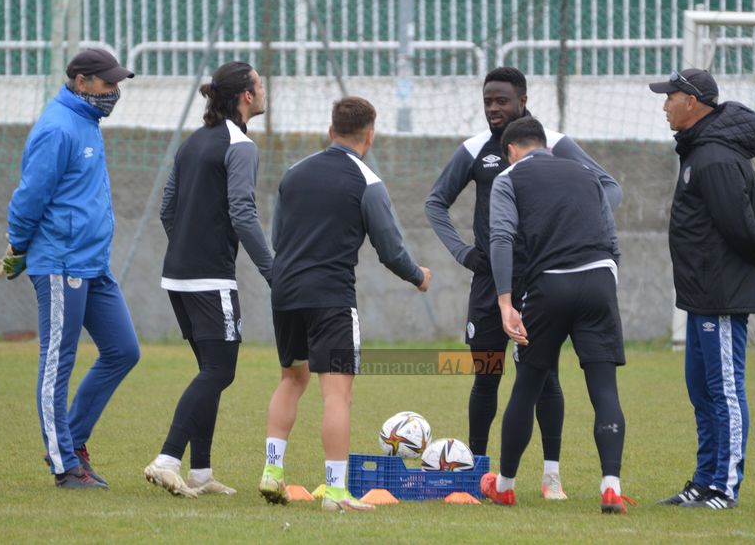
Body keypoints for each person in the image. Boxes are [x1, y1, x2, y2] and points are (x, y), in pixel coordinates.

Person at [424, 66, 622, 499]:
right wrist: (462, 251)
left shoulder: (556, 145)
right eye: (488, 101)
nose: (494, 109)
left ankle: (551, 476)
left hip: (541, 279)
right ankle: (475, 472)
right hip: (491, 280)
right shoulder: (475, 150)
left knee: (543, 376)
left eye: (503, 101)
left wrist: (570, 226)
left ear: (524, 100)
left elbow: (609, 188)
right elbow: (435, 202)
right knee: (487, 375)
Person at [258, 97, 431, 512]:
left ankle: (272, 471)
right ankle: (336, 492)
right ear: (370, 135)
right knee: (337, 394)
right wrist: (418, 275)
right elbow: (390, 249)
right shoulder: (367, 180)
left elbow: (278, 237)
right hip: (331, 296)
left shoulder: (294, 174)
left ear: (331, 130)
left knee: (291, 380)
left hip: (285, 291)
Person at [0, 48, 139, 489]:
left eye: (116, 83)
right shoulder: (57, 127)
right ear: (81, 81)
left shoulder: (86, 122)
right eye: (107, 82)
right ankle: (64, 464)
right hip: (60, 262)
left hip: (92, 262)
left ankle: (71, 440)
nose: (114, 91)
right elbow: (29, 196)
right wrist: (18, 247)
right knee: (58, 361)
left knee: (123, 351)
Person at [649, 68, 755, 510]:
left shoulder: (714, 157)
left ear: (693, 101)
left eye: (670, 96)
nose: (664, 105)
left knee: (724, 389)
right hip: (702, 294)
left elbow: (740, 223)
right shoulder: (700, 152)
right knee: (702, 389)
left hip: (722, 294)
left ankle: (724, 487)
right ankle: (704, 479)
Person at [479, 117, 631, 514]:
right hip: (599, 280)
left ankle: (506, 485)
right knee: (604, 390)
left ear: (511, 150)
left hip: (550, 286)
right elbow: (611, 238)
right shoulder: (585, 173)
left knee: (527, 385)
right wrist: (606, 279)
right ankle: (611, 486)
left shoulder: (509, 179)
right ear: (546, 145)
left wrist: (505, 301)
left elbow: (501, 238)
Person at [142, 62, 274, 498]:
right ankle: (167, 459)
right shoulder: (241, 146)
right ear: (246, 97)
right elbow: (243, 214)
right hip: (209, 279)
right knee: (220, 371)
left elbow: (167, 209)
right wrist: (275, 271)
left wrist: (185, 248)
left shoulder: (192, 143)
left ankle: (201, 472)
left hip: (177, 276)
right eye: (259, 84)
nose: (263, 89)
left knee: (209, 370)